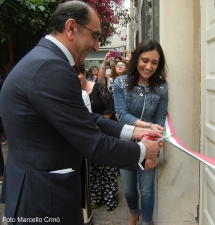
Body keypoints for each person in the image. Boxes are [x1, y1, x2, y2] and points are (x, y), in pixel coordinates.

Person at [0, 2, 163, 225]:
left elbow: (84, 119)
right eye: (95, 35)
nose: (97, 46)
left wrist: (135, 131)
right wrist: (144, 150)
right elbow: (93, 144)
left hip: (34, 190)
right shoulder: (51, 68)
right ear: (71, 28)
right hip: (43, 199)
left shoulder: (43, 61)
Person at [113, 39, 168, 225]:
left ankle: (146, 222)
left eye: (154, 62)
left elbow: (160, 122)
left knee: (147, 190)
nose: (149, 66)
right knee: (128, 189)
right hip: (126, 143)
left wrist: (155, 151)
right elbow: (121, 115)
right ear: (137, 59)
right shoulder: (120, 83)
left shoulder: (161, 87)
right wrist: (148, 126)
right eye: (145, 60)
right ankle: (133, 213)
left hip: (151, 144)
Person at [77, 64, 118, 210]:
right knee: (93, 168)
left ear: (84, 73)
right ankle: (95, 197)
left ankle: (110, 198)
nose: (76, 78)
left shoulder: (98, 87)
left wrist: (99, 126)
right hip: (90, 135)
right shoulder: (73, 92)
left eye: (78, 74)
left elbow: (110, 107)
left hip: (105, 130)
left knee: (107, 167)